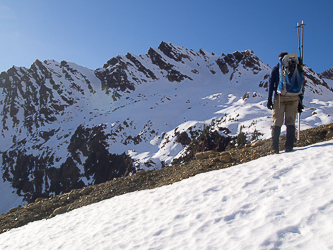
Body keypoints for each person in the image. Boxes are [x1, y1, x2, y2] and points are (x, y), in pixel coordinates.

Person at [267, 52, 304, 153]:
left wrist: (269, 99)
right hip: (294, 97)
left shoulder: (276, 68)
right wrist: (300, 101)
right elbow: (301, 85)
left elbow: (271, 83)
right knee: (290, 122)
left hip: (280, 98)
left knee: (277, 122)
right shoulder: (297, 69)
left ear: (280, 58)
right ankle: (289, 146)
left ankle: (274, 148)